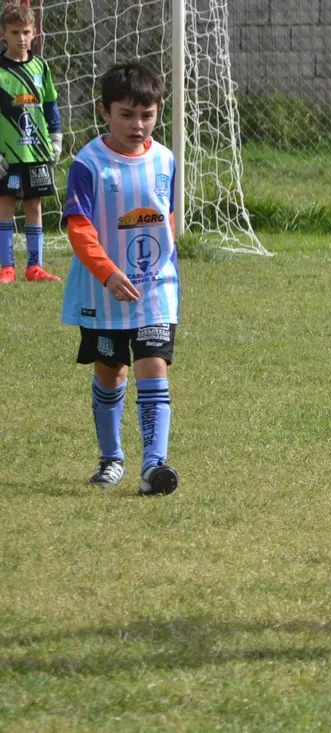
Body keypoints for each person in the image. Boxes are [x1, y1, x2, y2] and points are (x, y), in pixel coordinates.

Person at [60, 61, 180, 497]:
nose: (137, 125)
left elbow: (166, 218)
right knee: (111, 372)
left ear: (158, 111)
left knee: (153, 365)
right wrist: (108, 272)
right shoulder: (89, 164)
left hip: (155, 289)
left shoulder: (165, 159)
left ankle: (153, 466)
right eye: (126, 115)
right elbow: (79, 228)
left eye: (147, 115)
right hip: (103, 292)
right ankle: (111, 459)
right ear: (104, 111)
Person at [0, 2, 62, 283]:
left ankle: (34, 267)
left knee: (34, 206)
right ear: (4, 34)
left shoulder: (41, 66)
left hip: (36, 151)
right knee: (6, 205)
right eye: (15, 32)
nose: (21, 38)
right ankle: (7, 268)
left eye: (26, 32)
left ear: (34, 33)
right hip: (8, 155)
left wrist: (56, 138)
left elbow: (50, 105)